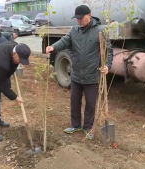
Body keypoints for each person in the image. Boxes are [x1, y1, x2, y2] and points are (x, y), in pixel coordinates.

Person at [46, 5, 113, 139]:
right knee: (74, 101)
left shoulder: (100, 31)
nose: (78, 21)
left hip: (92, 75)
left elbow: (108, 51)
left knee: (90, 104)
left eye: (81, 18)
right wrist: (53, 47)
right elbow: (64, 41)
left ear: (89, 15)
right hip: (76, 74)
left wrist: (107, 65)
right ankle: (75, 125)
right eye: (76, 18)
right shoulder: (74, 30)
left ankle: (88, 127)